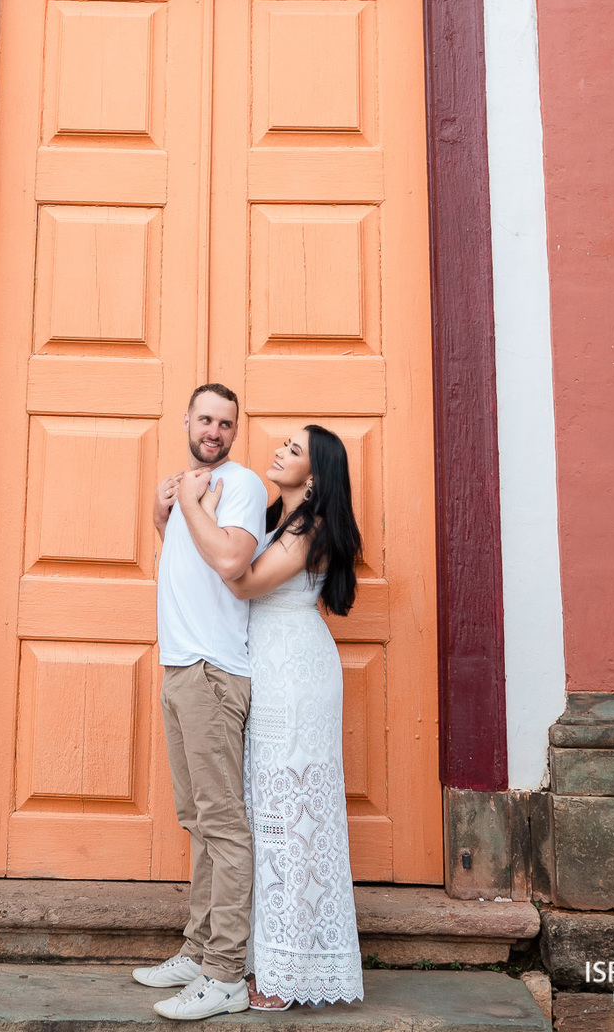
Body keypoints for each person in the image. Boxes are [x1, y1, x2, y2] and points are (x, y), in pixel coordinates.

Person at [202, 425, 364, 1011]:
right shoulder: (278, 520)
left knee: (292, 819)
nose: (279, 452)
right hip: (268, 671)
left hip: (296, 677)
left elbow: (242, 581)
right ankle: (264, 958)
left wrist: (200, 513)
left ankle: (288, 971)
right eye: (284, 445)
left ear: (315, 476)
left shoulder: (311, 527)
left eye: (294, 451)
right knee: (268, 815)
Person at [133, 383, 269, 1022]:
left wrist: (188, 503)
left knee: (223, 824)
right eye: (206, 419)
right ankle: (197, 951)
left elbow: (233, 560)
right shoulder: (187, 489)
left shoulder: (238, 485)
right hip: (182, 670)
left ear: (235, 431)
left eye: (226, 423)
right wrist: (166, 517)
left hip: (215, 674)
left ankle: (226, 974)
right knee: (197, 819)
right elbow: (185, 567)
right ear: (186, 420)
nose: (214, 430)